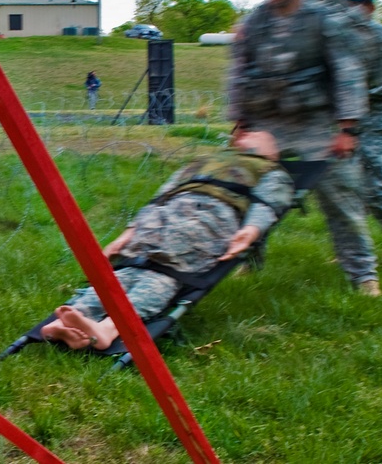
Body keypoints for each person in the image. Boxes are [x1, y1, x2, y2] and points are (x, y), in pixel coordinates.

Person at [41, 130, 295, 349]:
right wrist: (128, 233)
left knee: (163, 273)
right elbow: (161, 196)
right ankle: (69, 320)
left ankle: (109, 329)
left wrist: (250, 231)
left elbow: (268, 203)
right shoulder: (204, 161)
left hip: (207, 219)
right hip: (160, 218)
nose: (244, 133)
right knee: (126, 270)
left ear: (271, 151)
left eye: (254, 133)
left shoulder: (271, 170)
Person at [226, 0, 381, 296]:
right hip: (267, 125)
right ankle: (248, 259)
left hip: (316, 125)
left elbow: (347, 72)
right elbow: (238, 72)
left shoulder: (323, 22)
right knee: (252, 196)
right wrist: (239, 122)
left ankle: (363, 275)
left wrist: (346, 128)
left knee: (342, 200)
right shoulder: (255, 23)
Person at [342, 0, 382, 235]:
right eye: (347, 6)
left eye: (357, 6)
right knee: (347, 190)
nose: (352, 12)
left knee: (374, 191)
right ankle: (355, 249)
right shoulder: (341, 41)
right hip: (348, 126)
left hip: (380, 125)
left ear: (370, 7)